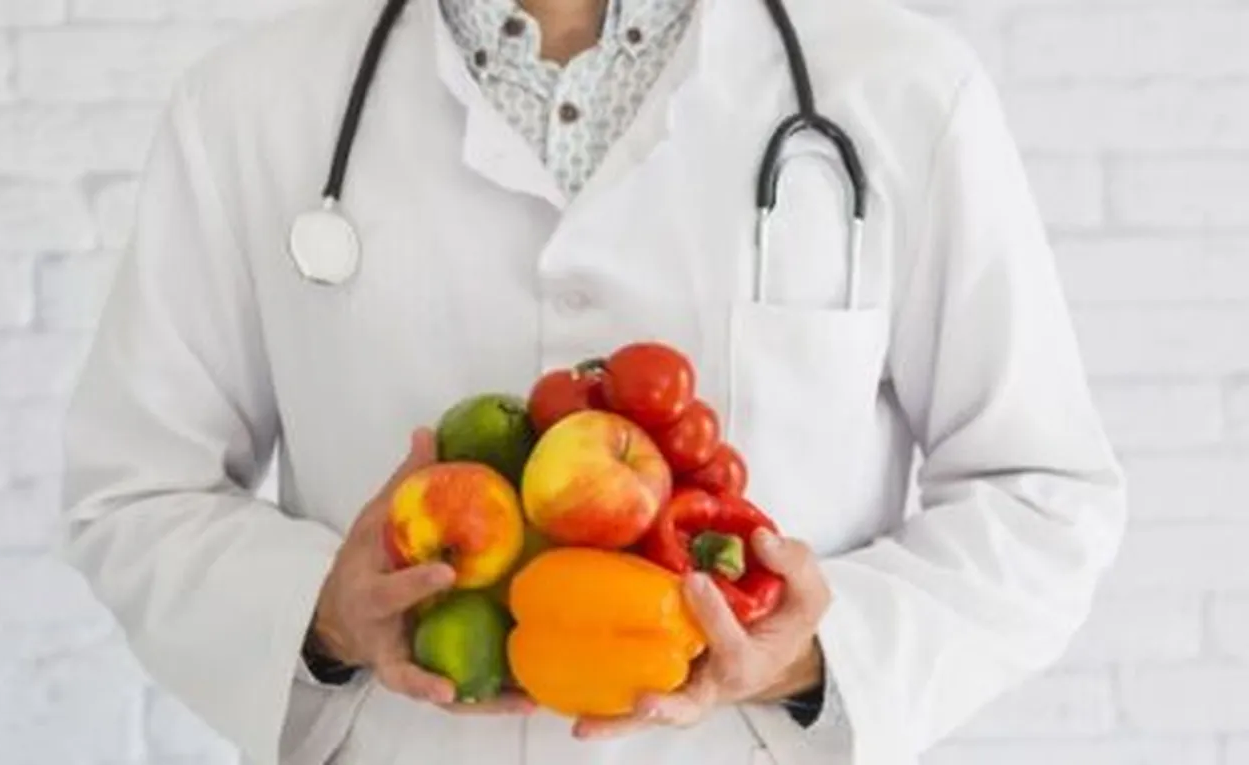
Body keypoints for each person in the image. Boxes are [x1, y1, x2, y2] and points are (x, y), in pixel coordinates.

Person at [59, 0, 1127, 763]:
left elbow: (1039, 492)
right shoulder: (251, 106)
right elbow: (136, 490)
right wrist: (320, 618)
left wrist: (817, 657)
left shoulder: (902, 90)